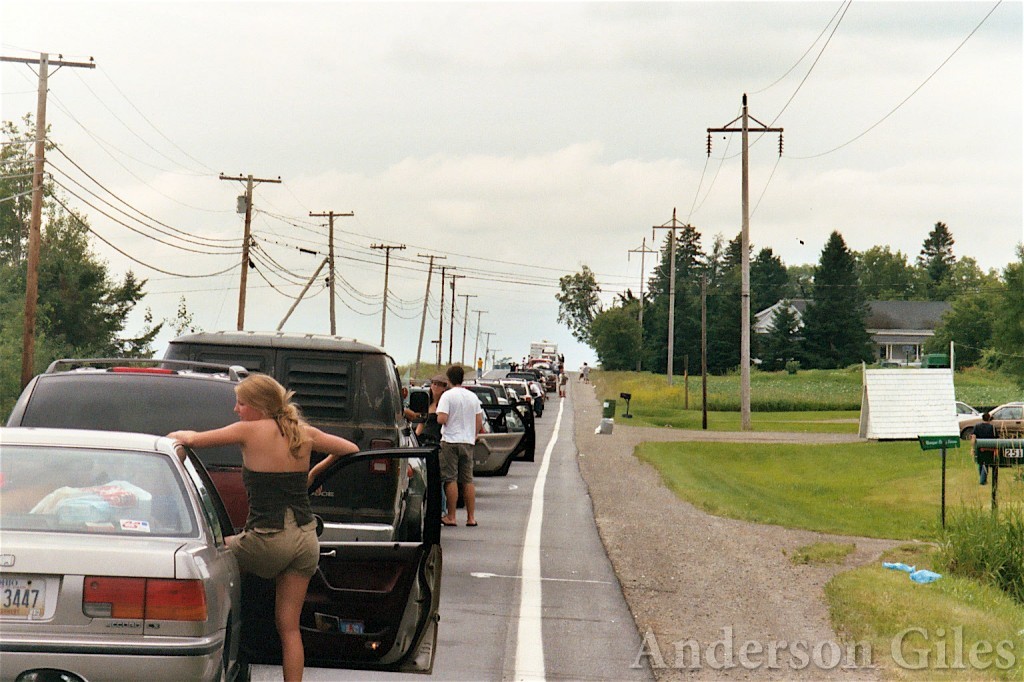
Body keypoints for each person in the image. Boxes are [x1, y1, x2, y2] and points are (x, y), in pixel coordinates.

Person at [168, 374, 358, 682]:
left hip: (266, 539)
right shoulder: (302, 431)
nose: (236, 409)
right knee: (289, 627)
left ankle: (216, 644)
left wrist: (168, 442)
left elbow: (191, 439)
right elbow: (349, 448)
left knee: (214, 554)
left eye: (241, 403)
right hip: (306, 539)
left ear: (258, 405)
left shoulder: (247, 430)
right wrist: (312, 473)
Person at [436, 365, 483, 527]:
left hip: (450, 441)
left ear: (448, 379)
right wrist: (473, 435)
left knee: (450, 479)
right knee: (468, 480)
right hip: (467, 442)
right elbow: (479, 421)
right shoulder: (472, 397)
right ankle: (471, 518)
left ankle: (452, 516)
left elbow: (442, 418)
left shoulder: (447, 396)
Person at [416, 373, 449, 447]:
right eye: (434, 384)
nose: (436, 387)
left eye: (439, 385)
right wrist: (415, 438)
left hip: (439, 441)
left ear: (444, 388)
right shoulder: (426, 403)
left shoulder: (445, 404)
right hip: (425, 440)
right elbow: (421, 423)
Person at [971, 412, 996, 485]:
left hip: (979, 448)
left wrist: (972, 448)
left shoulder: (977, 426)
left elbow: (973, 437)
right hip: (989, 448)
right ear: (989, 419)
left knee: (980, 463)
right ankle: (982, 480)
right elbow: (996, 439)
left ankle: (982, 479)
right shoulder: (992, 427)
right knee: (986, 464)